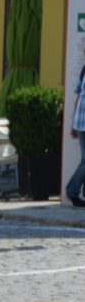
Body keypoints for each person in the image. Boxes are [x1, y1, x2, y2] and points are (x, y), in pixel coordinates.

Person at [68, 61, 85, 209]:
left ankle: (75, 193)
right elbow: (78, 96)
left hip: (81, 121)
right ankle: (72, 191)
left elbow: (78, 96)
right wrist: (73, 122)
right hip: (82, 122)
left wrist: (74, 122)